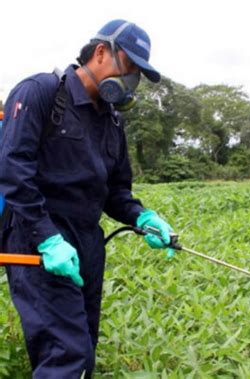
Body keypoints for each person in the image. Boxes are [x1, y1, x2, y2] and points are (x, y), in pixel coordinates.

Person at [0, 20, 174, 378]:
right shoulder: (41, 92)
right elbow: (12, 170)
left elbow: (115, 191)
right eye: (129, 67)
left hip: (87, 243)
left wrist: (140, 216)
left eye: (138, 74)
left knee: (81, 350)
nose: (131, 81)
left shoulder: (110, 120)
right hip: (38, 240)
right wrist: (46, 238)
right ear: (100, 52)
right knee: (69, 354)